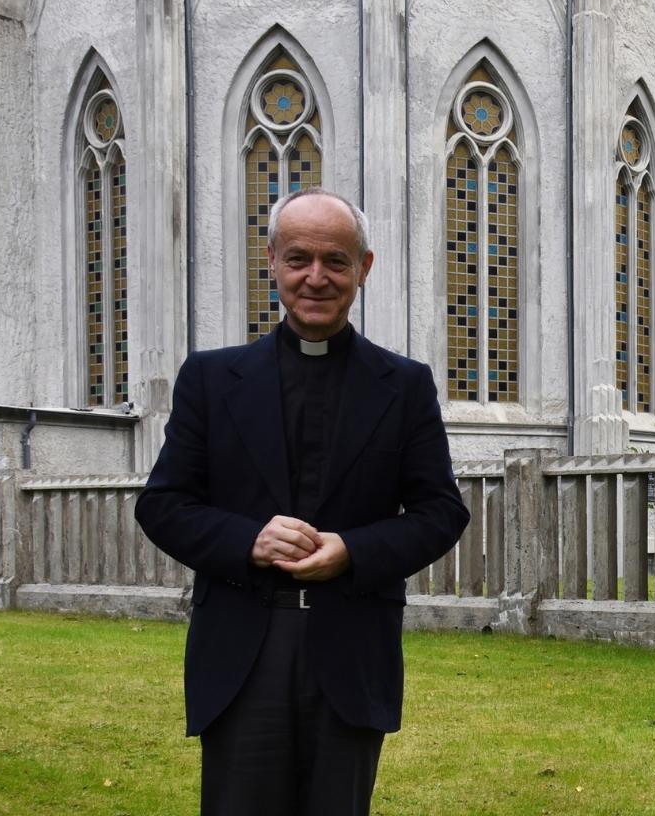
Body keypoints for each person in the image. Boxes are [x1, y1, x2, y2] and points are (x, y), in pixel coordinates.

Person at [135, 187, 469, 815]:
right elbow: (163, 504)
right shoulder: (210, 379)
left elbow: (441, 512)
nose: (316, 277)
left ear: (363, 269)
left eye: (336, 261)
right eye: (299, 259)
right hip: (244, 652)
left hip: (350, 652)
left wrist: (354, 550)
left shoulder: (404, 385)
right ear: (273, 262)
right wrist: (248, 541)